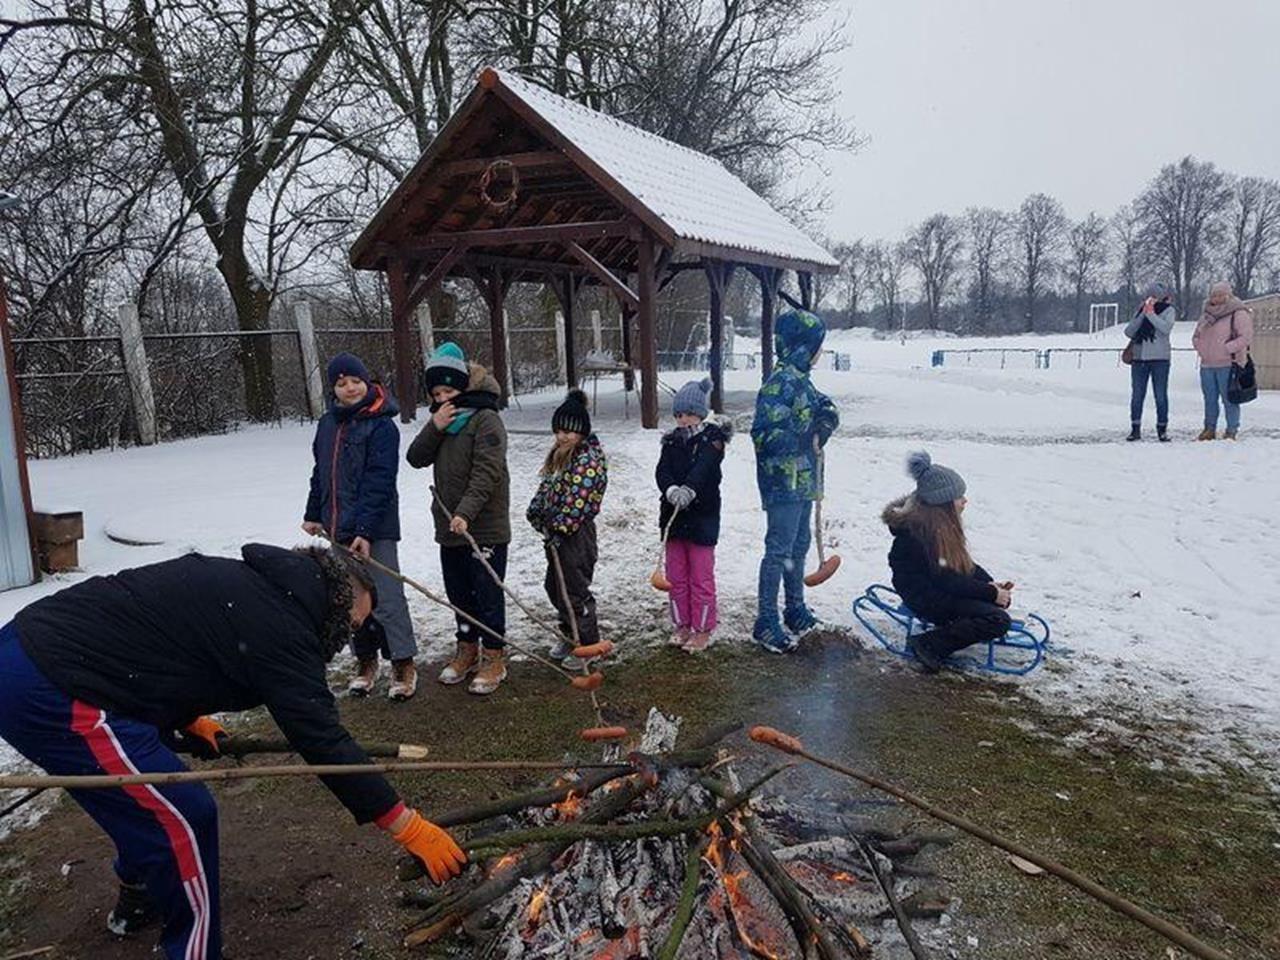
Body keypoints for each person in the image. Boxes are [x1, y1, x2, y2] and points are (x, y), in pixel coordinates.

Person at [0, 545, 466, 960]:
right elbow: (322, 738)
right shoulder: (284, 625)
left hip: (34, 655)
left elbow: (163, 643)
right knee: (184, 814)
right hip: (53, 684)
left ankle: (140, 889)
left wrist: (184, 717)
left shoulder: (262, 587)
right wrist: (406, 824)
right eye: (351, 623)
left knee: (144, 795)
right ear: (335, 599)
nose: (347, 637)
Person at [302, 352, 418, 699]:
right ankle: (365, 661)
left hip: (375, 528)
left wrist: (364, 531)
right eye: (341, 383)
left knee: (386, 596)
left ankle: (402, 661)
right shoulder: (327, 424)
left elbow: (380, 481)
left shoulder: (381, 425)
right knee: (349, 598)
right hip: (337, 526)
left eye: (355, 381)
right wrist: (313, 513)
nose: (349, 388)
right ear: (333, 388)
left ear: (367, 382)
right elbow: (319, 473)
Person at [406, 343, 511, 694]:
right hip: (450, 526)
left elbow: (487, 472)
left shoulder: (486, 418)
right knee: (460, 593)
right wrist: (434, 426)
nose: (442, 398)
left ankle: (494, 656)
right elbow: (415, 458)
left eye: (449, 390)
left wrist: (465, 512)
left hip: (484, 527)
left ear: (464, 387)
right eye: (436, 393)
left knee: (486, 593)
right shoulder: (444, 422)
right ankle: (467, 649)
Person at [750, 309, 839, 654]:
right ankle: (766, 619)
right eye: (818, 344)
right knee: (779, 550)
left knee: (799, 545)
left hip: (804, 481)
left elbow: (823, 405)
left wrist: (826, 420)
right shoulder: (780, 382)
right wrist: (803, 436)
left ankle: (794, 608)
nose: (820, 351)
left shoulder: (802, 379)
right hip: (783, 483)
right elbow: (763, 435)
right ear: (803, 345)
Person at [880, 452, 1013, 673]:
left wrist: (990, 585)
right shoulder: (921, 535)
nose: (965, 501)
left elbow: (960, 564)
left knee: (993, 608)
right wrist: (989, 593)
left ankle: (946, 634)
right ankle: (928, 644)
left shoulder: (940, 528)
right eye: (959, 497)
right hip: (926, 597)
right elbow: (948, 579)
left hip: (940, 590)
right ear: (942, 504)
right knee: (997, 620)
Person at [526, 389, 608, 660]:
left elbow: (578, 503)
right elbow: (546, 487)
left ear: (582, 433)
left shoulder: (588, 461)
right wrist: (536, 513)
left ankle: (588, 643)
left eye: (569, 432)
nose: (562, 436)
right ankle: (569, 634)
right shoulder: (559, 456)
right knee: (556, 587)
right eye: (558, 431)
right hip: (555, 535)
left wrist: (559, 526)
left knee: (574, 590)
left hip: (576, 536)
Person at [655, 377, 731, 652]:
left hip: (702, 519)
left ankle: (702, 626)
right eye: (677, 414)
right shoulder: (671, 442)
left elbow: (703, 469)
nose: (681, 419)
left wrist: (689, 490)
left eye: (686, 414)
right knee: (676, 575)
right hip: (674, 520)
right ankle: (681, 623)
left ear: (699, 413)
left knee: (700, 576)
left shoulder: (712, 441)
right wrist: (671, 489)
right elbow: (662, 471)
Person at [1193, 281, 1255, 440]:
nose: (1217, 298)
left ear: (1228, 295)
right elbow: (1196, 336)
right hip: (1207, 364)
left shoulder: (1238, 312)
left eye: (1221, 294)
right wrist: (1200, 347)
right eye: (1214, 294)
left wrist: (1227, 348)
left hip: (1228, 364)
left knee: (1229, 399)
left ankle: (1231, 429)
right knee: (1210, 399)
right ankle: (1209, 428)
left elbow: (1246, 337)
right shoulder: (1206, 314)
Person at [1123, 281, 1176, 442]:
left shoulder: (1169, 310)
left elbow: (1165, 329)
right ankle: (1135, 428)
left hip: (1160, 359)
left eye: (1155, 296)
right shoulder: (1141, 310)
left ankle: (1162, 428)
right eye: (1149, 296)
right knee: (1137, 394)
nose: (1152, 299)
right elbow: (1129, 331)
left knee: (1160, 395)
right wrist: (1142, 314)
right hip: (1139, 359)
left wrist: (1151, 314)